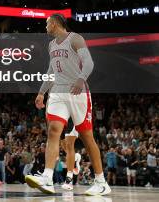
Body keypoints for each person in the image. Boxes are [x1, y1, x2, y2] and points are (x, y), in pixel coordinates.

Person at [26, 14, 111, 196]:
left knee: (87, 138)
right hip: (57, 91)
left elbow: (88, 62)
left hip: (77, 91)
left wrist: (81, 79)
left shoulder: (75, 38)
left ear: (56, 23)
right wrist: (42, 91)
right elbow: (51, 70)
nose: (45, 26)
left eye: (47, 23)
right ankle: (47, 178)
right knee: (53, 130)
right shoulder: (51, 45)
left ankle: (101, 181)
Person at [61, 122, 79, 190]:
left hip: (71, 117)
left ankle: (69, 180)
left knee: (69, 145)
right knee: (63, 145)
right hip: (61, 119)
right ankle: (74, 159)